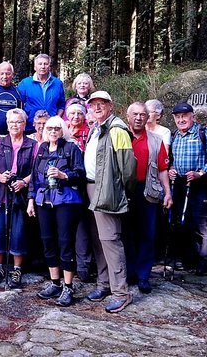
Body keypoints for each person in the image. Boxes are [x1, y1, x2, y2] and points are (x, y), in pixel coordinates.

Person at [84, 91, 136, 313]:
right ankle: (104, 284)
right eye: (93, 104)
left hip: (107, 189)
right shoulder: (96, 129)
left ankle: (121, 293)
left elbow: (128, 169)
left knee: (110, 240)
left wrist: (120, 191)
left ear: (110, 106)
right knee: (98, 240)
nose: (97, 108)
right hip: (91, 186)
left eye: (101, 104)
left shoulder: (117, 130)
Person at [27, 116, 85, 307]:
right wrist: (30, 200)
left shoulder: (71, 148)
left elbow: (81, 174)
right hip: (44, 200)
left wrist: (64, 175)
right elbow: (35, 178)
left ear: (62, 130)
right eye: (49, 128)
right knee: (47, 240)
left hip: (66, 201)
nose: (52, 131)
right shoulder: (42, 149)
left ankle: (68, 286)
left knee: (65, 241)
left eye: (57, 128)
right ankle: (55, 283)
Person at [124, 102, 173, 294]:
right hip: (124, 191)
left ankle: (144, 276)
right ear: (127, 117)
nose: (138, 118)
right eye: (134, 114)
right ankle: (129, 273)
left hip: (148, 190)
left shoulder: (155, 140)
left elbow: (163, 169)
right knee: (126, 234)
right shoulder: (120, 137)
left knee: (147, 234)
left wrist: (167, 192)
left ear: (148, 117)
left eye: (142, 115)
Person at [0, 108, 37, 288]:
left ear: (24, 124)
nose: (15, 125)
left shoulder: (32, 144)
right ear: (7, 124)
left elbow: (36, 170)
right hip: (0, 193)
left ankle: (17, 269)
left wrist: (23, 181)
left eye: (18, 122)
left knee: (18, 230)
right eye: (12, 122)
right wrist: (0, 177)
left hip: (21, 194)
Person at [168, 102, 207, 275]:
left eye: (184, 116)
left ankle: (203, 261)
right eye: (178, 117)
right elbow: (172, 159)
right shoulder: (175, 136)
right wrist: (171, 170)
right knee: (181, 221)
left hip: (198, 183)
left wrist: (201, 173)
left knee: (199, 223)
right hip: (180, 184)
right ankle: (186, 258)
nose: (181, 120)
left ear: (192, 117)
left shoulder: (203, 133)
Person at [65, 103, 95, 283]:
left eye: (79, 113)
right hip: (65, 186)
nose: (76, 116)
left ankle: (83, 266)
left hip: (85, 185)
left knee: (83, 227)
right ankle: (66, 264)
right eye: (72, 113)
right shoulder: (62, 130)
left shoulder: (89, 132)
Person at [17, 54, 65, 133]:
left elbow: (61, 104)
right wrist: (24, 119)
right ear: (35, 67)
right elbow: (19, 103)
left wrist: (57, 118)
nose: (43, 66)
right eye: (40, 64)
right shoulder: (25, 83)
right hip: (30, 126)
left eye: (45, 64)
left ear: (49, 67)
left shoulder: (57, 83)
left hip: (51, 127)